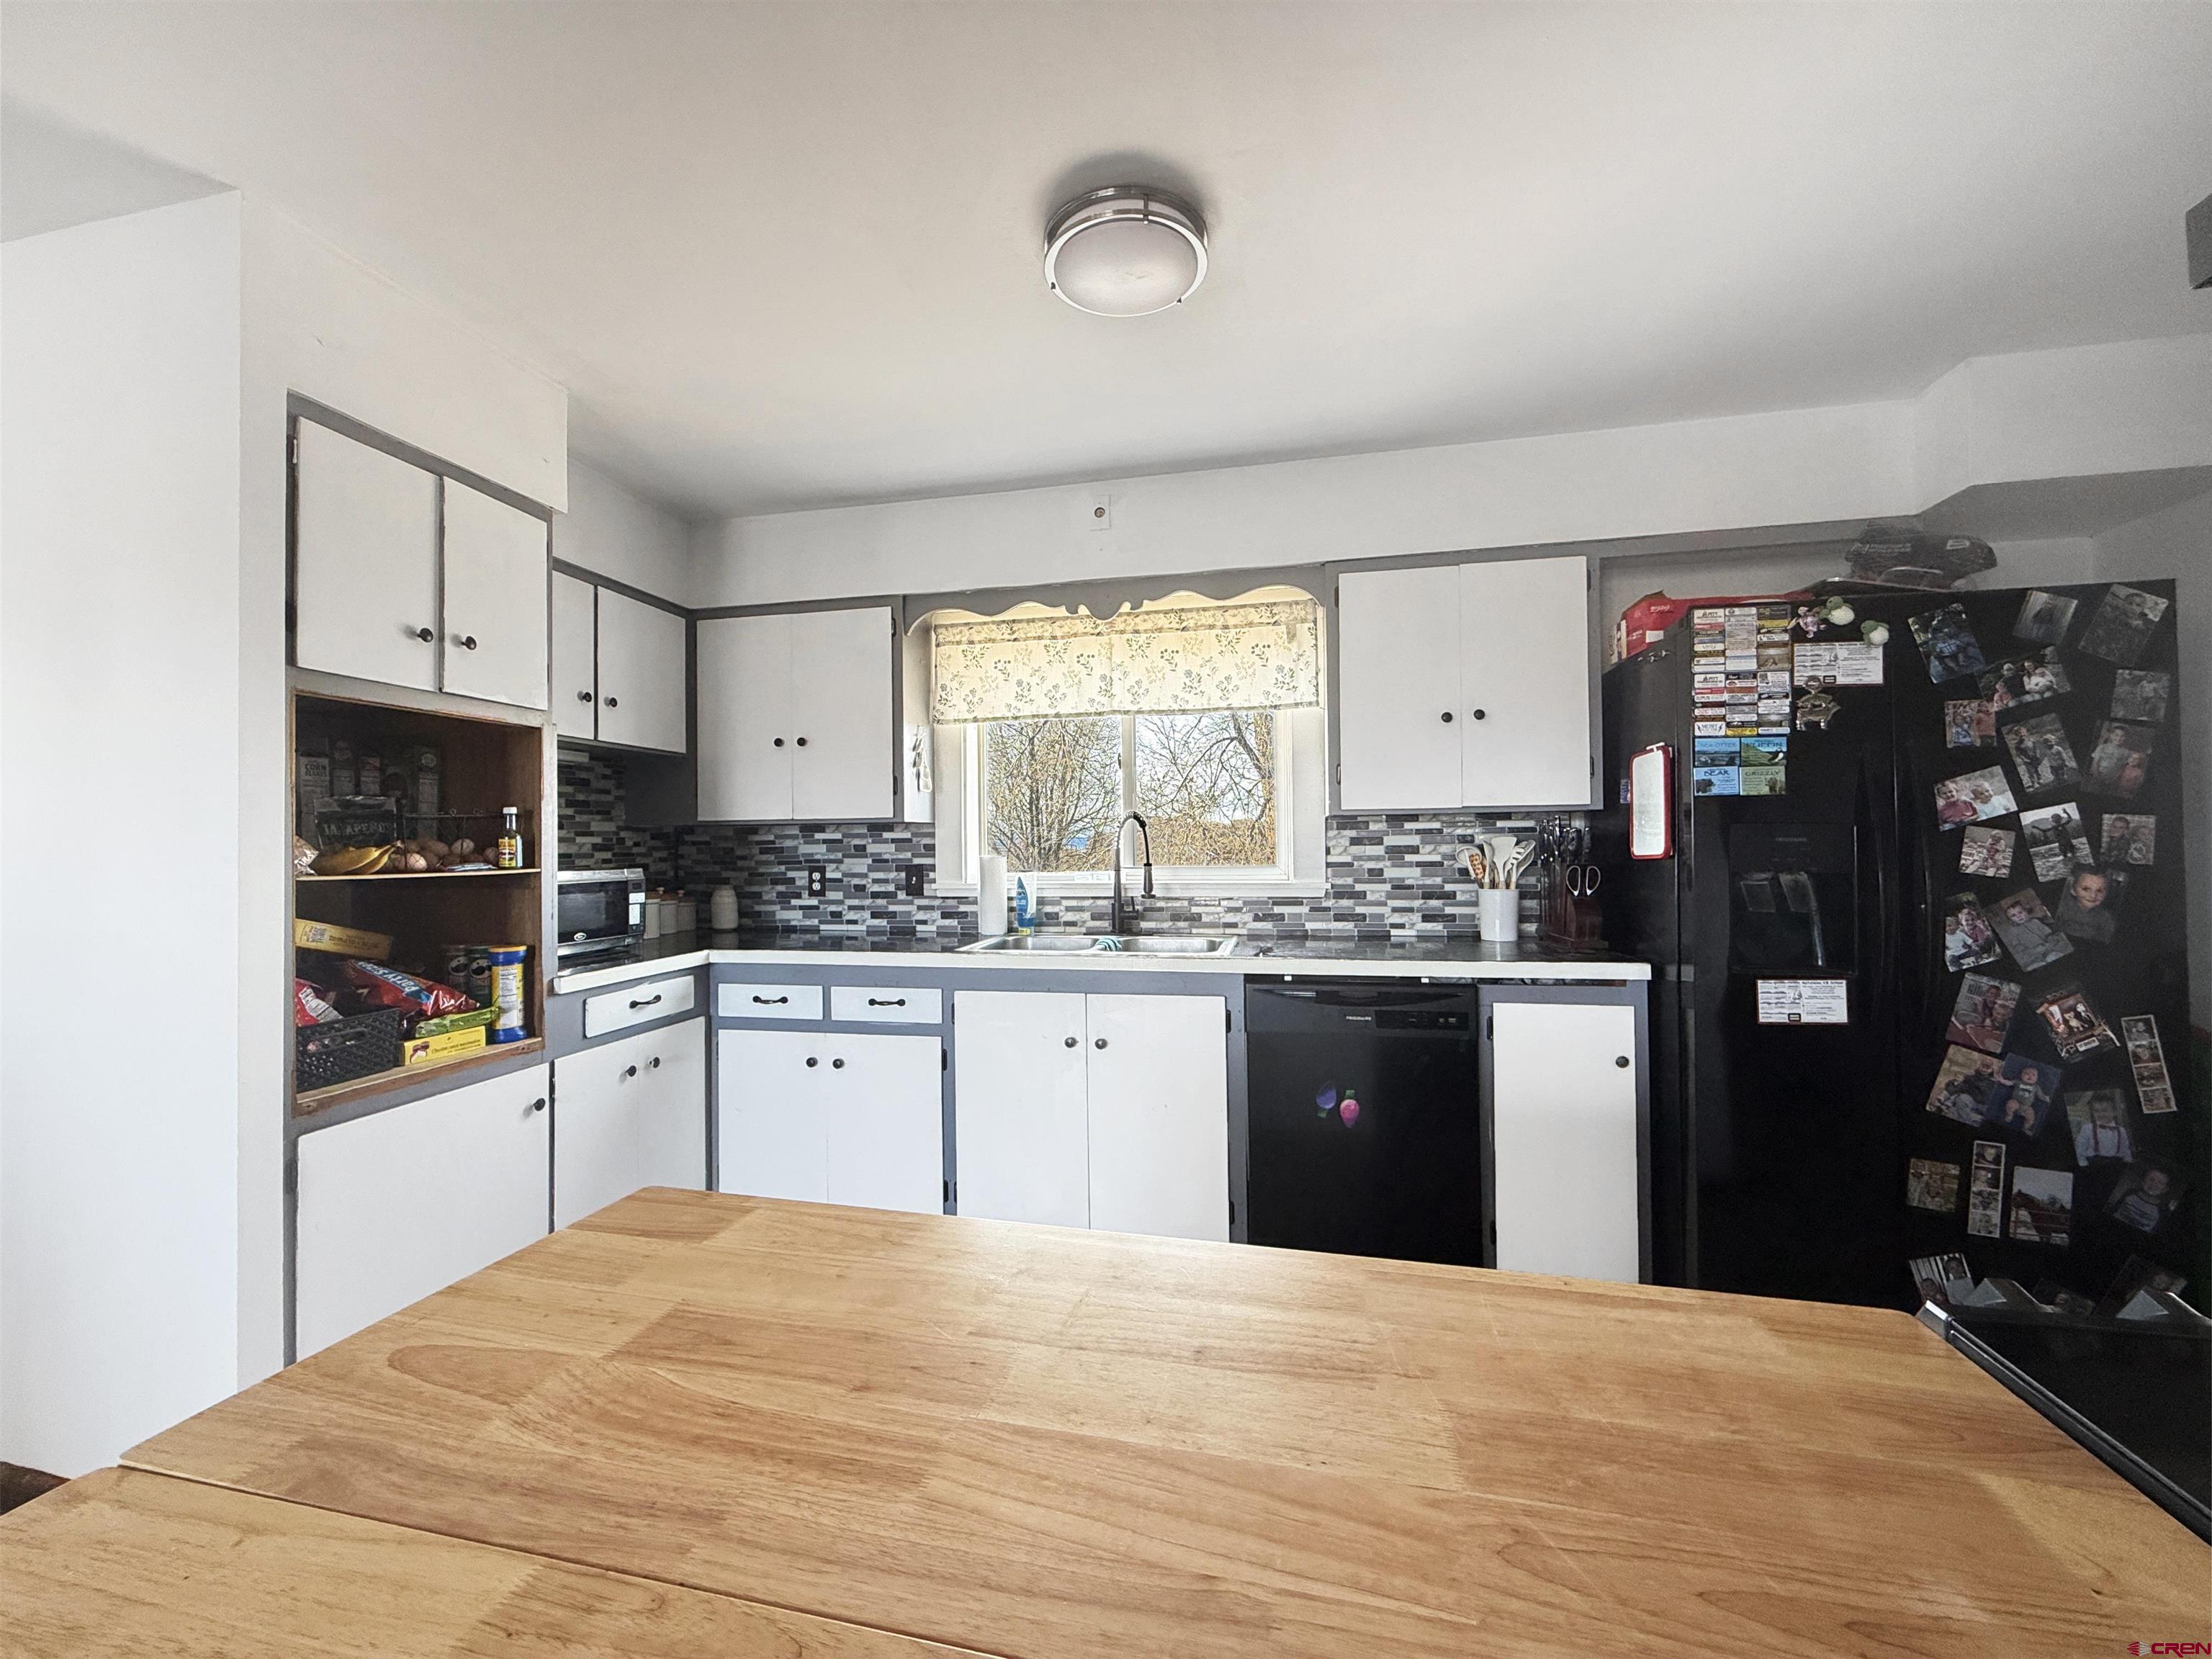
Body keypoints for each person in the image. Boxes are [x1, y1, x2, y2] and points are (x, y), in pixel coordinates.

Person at [2111, 1167, 2173, 1232]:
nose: (2154, 1184)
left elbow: (2157, 1228)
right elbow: (2115, 1208)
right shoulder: (2130, 1193)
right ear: (2142, 1181)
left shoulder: (2163, 1208)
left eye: (2160, 1183)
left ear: (2165, 1189)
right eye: (2151, 1179)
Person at [2073, 1095, 2131, 1163]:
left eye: (2105, 1111)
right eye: (2096, 1111)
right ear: (2093, 1112)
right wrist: (2084, 1165)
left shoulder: (2121, 1131)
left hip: (2115, 1163)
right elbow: (2080, 1150)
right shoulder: (2087, 1128)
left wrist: (2128, 1163)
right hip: (2094, 1163)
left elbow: (2125, 1150)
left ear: (2114, 1112)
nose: (2101, 1114)